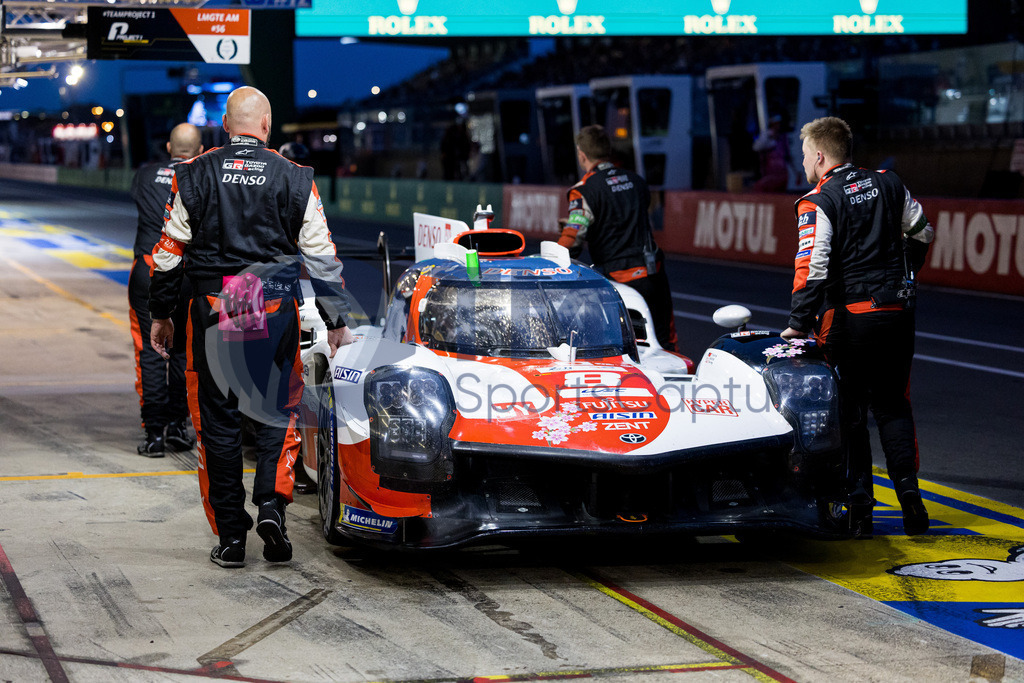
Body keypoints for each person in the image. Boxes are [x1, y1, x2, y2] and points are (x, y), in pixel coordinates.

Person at [148, 86, 353, 568]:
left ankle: (231, 538)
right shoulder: (296, 177)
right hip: (274, 304)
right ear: (266, 125)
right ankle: (272, 506)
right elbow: (322, 255)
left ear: (224, 124)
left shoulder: (191, 173)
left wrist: (161, 314)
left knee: (217, 422)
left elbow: (168, 254)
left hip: (214, 305)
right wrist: (337, 320)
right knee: (278, 412)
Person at [781, 116, 934, 536]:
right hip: (898, 312)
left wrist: (797, 323)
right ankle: (910, 498)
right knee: (893, 405)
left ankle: (861, 508)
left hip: (850, 320)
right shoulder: (889, 182)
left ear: (819, 155)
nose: (802, 163)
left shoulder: (818, 200)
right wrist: (904, 276)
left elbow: (812, 266)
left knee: (849, 413)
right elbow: (922, 232)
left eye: (804, 156)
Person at [557, 124, 678, 351]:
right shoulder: (637, 180)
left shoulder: (584, 190)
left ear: (582, 155)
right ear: (608, 150)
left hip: (620, 278)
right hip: (654, 273)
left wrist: (552, 259)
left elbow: (573, 236)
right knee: (667, 342)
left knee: (623, 346)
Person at [128, 123, 203, 456]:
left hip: (147, 268)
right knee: (183, 352)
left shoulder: (145, 175)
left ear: (170, 148)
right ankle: (177, 426)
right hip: (186, 273)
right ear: (199, 151)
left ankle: (154, 434)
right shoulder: (202, 175)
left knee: (149, 350)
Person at [752, 114, 791, 192]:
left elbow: (788, 156)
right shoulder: (766, 136)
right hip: (769, 173)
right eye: (776, 124)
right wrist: (770, 140)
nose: (778, 126)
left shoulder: (783, 137)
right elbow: (756, 147)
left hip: (782, 173)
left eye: (779, 124)